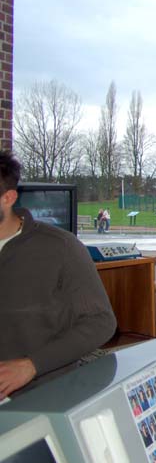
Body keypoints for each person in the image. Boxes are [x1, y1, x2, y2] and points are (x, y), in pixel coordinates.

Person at [0, 150, 117, 398]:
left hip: (40, 394)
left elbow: (101, 322)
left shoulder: (60, 247)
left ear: (8, 197)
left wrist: (32, 365)